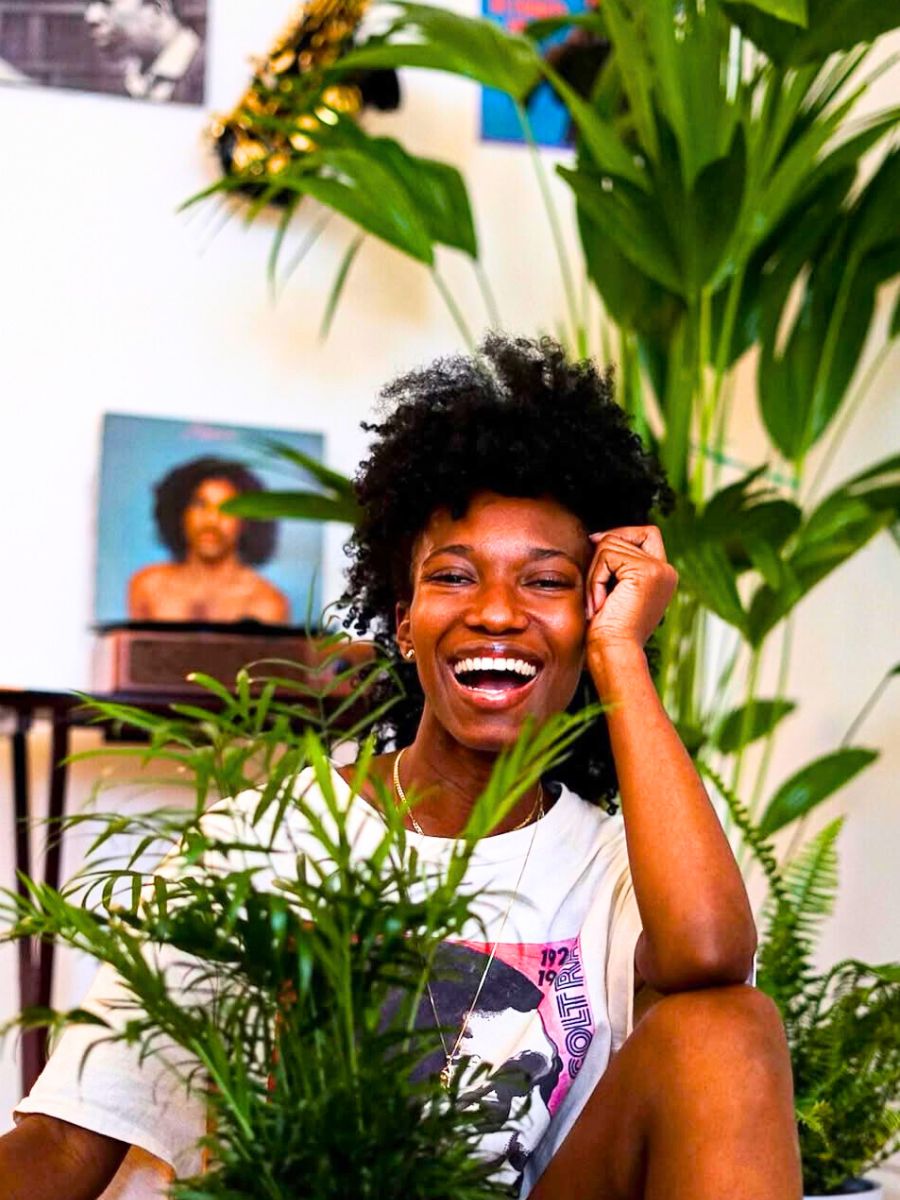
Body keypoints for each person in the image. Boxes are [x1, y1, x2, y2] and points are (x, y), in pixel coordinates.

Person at [2, 334, 803, 1199]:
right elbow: (65, 1146)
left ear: (595, 610)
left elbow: (711, 958)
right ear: (404, 618)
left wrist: (622, 656)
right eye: (455, 577)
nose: (496, 613)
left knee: (728, 1028)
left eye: (545, 584)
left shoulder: (624, 874)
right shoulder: (256, 843)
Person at [127, 456, 290, 624]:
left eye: (228, 509)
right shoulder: (148, 587)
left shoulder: (266, 603)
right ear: (180, 514)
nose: (211, 520)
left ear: (246, 522)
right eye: (200, 505)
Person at [83, 0, 205, 104]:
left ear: (155, 11)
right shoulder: (135, 76)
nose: (108, 27)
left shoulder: (208, 74)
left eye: (112, 7)